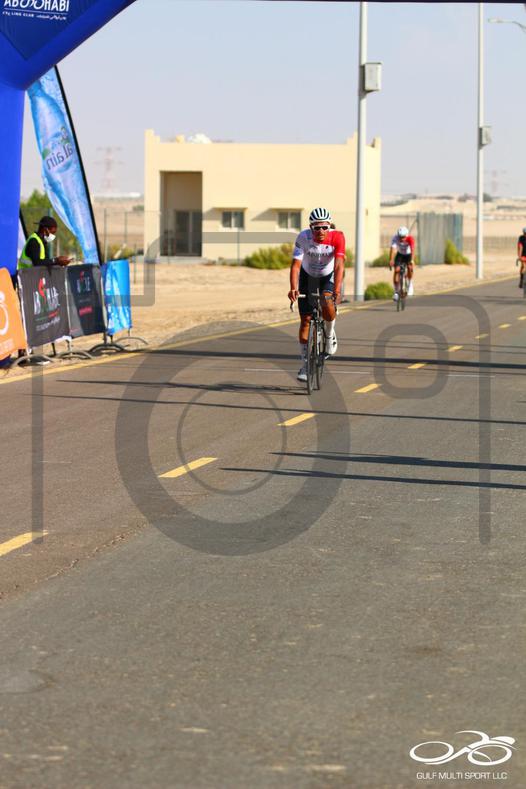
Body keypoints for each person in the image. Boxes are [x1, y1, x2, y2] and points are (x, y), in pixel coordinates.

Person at [288, 207, 345, 382]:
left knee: (327, 301)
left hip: (328, 276)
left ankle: (329, 334)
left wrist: (337, 290)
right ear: (311, 227)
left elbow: (339, 265)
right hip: (308, 276)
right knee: (305, 320)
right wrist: (293, 288)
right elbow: (296, 265)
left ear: (329, 226)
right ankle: (305, 365)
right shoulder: (303, 237)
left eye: (324, 227)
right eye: (317, 227)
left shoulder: (337, 237)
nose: (321, 231)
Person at [389, 225, 415, 301]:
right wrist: (391, 260)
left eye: (403, 237)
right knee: (396, 270)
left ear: (406, 235)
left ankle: (410, 283)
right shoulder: (395, 238)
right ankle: (396, 292)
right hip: (400, 255)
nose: (401, 239)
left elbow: (413, 250)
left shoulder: (410, 238)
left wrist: (412, 260)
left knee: (410, 267)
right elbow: (393, 249)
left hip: (408, 255)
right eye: (400, 237)